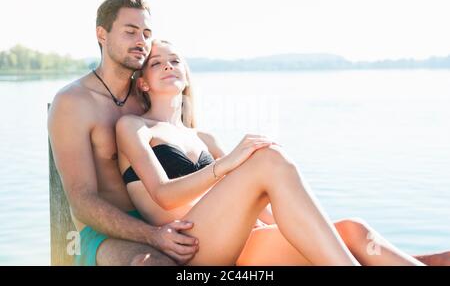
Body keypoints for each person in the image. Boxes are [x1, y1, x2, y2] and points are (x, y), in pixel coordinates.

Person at [116, 39, 449, 265]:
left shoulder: (203, 137)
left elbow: (254, 199)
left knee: (352, 229)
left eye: (175, 60)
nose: (168, 66)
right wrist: (226, 164)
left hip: (241, 242)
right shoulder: (134, 127)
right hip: (191, 248)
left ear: (187, 75)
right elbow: (163, 196)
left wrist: (282, 227)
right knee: (268, 159)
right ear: (143, 83)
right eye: (156, 63)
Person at [47, 0, 199, 266]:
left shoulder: (149, 97)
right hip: (103, 234)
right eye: (130, 32)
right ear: (101, 34)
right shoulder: (73, 103)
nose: (141, 41)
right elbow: (81, 199)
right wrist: (153, 236)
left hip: (164, 219)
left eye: (146, 33)